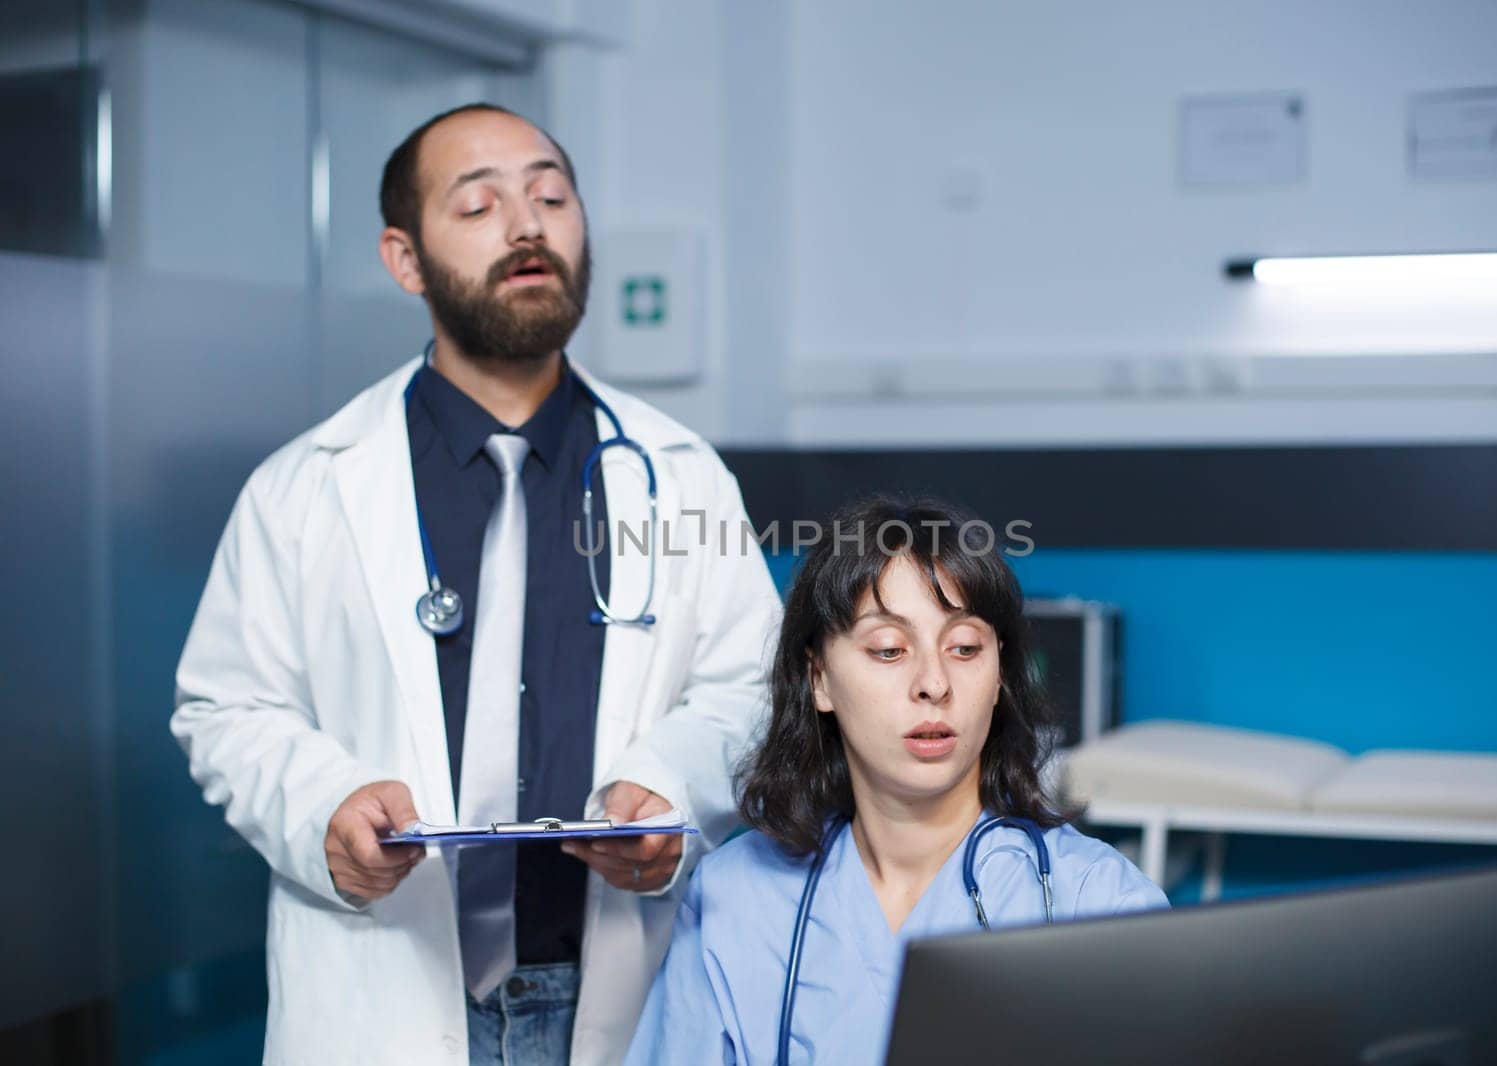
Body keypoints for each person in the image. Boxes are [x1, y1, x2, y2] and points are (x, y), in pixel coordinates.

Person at [171, 103, 779, 1066]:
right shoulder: (307, 484)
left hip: (615, 989)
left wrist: (671, 793)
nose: (528, 224)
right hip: (384, 997)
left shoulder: (679, 473)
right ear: (404, 259)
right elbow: (226, 704)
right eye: (479, 204)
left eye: (550, 195)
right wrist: (322, 804)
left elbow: (751, 691)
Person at [624, 498, 1168, 1065]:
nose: (934, 683)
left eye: (964, 648)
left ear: (999, 673)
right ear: (819, 679)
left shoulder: (1097, 901)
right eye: (889, 650)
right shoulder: (734, 899)